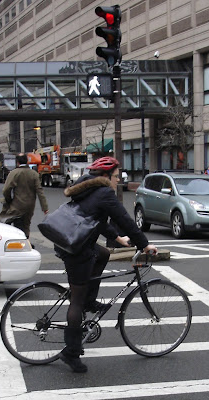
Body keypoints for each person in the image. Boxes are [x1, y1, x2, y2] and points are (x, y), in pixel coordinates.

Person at [56, 156, 158, 373]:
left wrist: (119, 239)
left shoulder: (86, 188)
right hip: (77, 249)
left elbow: (97, 220)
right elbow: (124, 220)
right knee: (76, 300)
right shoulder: (103, 193)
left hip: (75, 241)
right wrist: (145, 244)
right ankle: (71, 353)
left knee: (102, 254)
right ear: (104, 176)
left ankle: (90, 301)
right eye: (115, 176)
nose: (118, 181)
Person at [0, 153, 48, 238]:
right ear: (27, 161)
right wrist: (45, 207)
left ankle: (19, 243)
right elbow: (40, 191)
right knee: (26, 225)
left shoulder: (14, 173)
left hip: (17, 205)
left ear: (17, 162)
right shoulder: (34, 174)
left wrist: (8, 199)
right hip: (30, 205)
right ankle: (26, 240)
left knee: (14, 224)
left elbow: (6, 189)